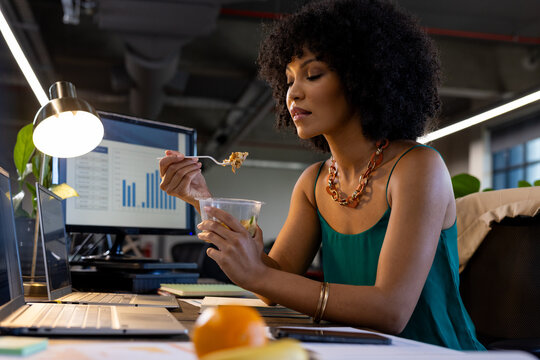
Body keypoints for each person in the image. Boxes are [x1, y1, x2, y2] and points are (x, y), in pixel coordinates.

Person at [159, 0, 485, 350]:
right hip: (355, 352)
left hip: (434, 354)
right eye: (288, 80)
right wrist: (202, 199)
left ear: (364, 76)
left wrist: (261, 273)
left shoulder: (418, 167)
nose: (293, 93)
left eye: (313, 75)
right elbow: (273, 282)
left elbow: (390, 311)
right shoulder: (314, 183)